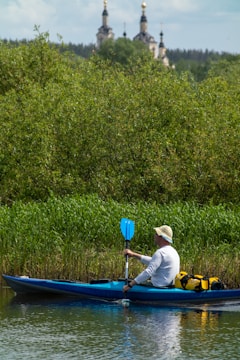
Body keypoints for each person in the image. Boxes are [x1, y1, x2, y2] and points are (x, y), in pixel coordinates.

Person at [123, 225, 180, 292]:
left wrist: (129, 285)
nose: (154, 236)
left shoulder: (160, 252)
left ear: (161, 237)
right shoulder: (173, 251)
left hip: (159, 287)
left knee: (136, 282)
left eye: (156, 234)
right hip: (170, 286)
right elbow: (153, 261)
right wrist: (133, 254)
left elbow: (148, 272)